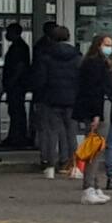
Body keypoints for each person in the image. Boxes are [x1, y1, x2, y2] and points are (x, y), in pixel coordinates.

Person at [74, 30, 112, 204]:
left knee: (99, 148)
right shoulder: (94, 64)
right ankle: (88, 188)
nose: (109, 48)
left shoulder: (103, 63)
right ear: (98, 45)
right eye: (106, 44)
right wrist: (96, 114)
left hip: (104, 107)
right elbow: (93, 90)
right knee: (94, 150)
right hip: (98, 108)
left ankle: (95, 186)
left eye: (111, 45)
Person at [27, 21, 81, 178]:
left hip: (50, 100)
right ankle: (73, 165)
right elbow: (81, 79)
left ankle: (50, 166)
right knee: (71, 133)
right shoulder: (76, 56)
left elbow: (39, 80)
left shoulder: (45, 56)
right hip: (71, 100)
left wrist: (38, 93)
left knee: (51, 132)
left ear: (51, 38)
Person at [0, 23, 35, 151]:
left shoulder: (19, 47)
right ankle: (15, 136)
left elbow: (20, 67)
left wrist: (11, 82)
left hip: (17, 85)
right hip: (17, 84)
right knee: (14, 111)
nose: (7, 35)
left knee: (16, 111)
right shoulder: (18, 46)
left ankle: (18, 137)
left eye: (9, 32)